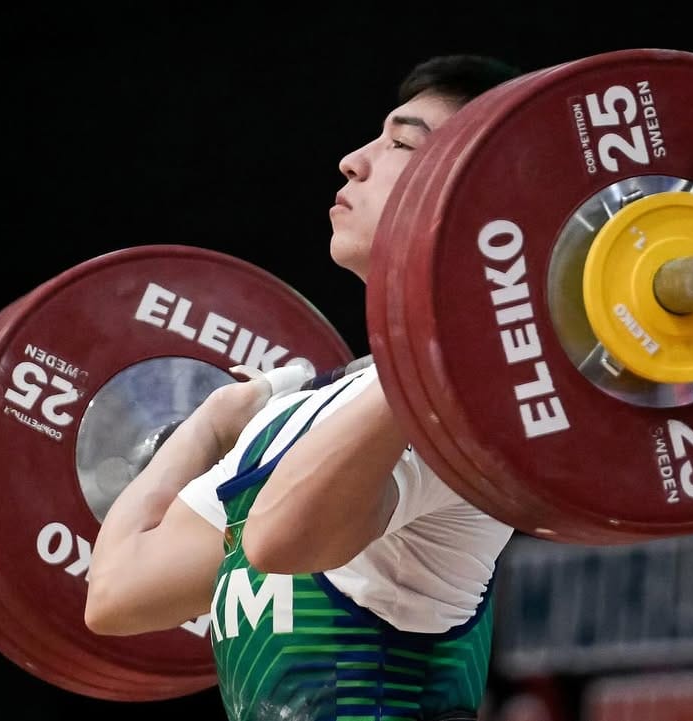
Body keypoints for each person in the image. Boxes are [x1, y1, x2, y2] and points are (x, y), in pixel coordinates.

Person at [84, 54, 524, 721]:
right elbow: (116, 593)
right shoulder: (298, 416)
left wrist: (456, 329)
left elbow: (281, 538)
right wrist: (211, 419)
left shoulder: (461, 413)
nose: (353, 159)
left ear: (471, 196)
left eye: (401, 144)